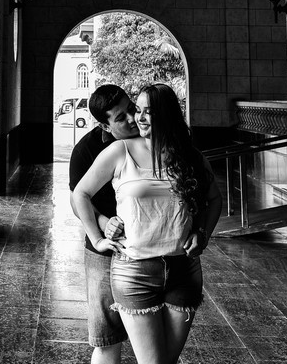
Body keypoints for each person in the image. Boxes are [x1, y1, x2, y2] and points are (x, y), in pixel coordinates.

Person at [71, 83, 221, 364]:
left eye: (145, 111)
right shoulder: (119, 151)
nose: (137, 117)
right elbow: (80, 193)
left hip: (183, 270)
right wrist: (97, 236)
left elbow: (214, 199)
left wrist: (203, 233)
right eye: (136, 110)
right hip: (135, 271)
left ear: (166, 115)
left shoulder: (190, 156)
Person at [69, 85, 141, 364]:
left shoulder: (152, 137)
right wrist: (102, 224)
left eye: (132, 109)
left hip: (149, 247)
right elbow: (77, 200)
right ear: (104, 125)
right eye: (121, 117)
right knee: (106, 335)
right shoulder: (85, 150)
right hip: (105, 251)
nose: (133, 119)